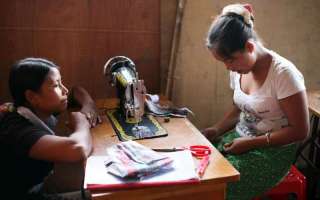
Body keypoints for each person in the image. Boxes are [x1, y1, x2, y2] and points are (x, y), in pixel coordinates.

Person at [202, 3, 309, 200]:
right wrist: (216, 130)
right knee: (200, 173)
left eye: (230, 60)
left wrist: (252, 143)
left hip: (273, 152)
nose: (228, 67)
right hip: (239, 139)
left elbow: (301, 130)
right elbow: (238, 110)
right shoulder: (239, 69)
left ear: (249, 47)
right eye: (223, 62)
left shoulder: (284, 75)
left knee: (220, 186)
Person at [0, 58, 102, 199]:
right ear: (32, 96)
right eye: (56, 85)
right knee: (110, 196)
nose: (64, 90)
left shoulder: (35, 109)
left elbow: (76, 91)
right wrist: (82, 123)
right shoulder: (17, 130)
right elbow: (78, 149)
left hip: (38, 191)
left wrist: (88, 104)